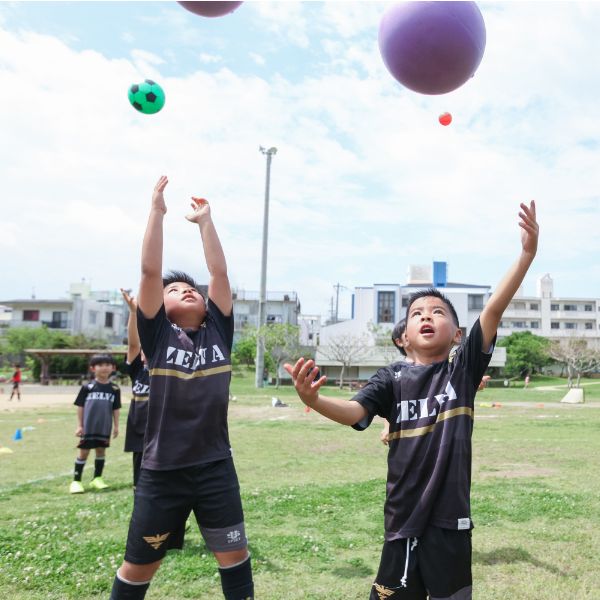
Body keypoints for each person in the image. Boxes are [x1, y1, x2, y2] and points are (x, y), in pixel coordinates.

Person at [285, 201, 539, 599]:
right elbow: (355, 413)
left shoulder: (462, 369)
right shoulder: (391, 377)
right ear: (404, 332)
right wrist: (313, 400)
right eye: (417, 312)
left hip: (450, 523)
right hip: (402, 520)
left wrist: (525, 255)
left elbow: (492, 310)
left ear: (457, 334)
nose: (426, 316)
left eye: (438, 312)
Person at [110, 176, 253, 600]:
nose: (186, 290)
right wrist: (157, 212)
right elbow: (150, 271)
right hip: (161, 472)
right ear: (159, 306)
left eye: (191, 288)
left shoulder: (219, 332)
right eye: (175, 290)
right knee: (139, 566)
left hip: (215, 468)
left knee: (235, 556)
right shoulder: (156, 336)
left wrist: (206, 221)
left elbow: (218, 272)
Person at [70, 354, 121, 494]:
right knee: (83, 452)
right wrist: (79, 425)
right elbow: (80, 407)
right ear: (93, 368)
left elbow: (116, 409)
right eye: (100, 365)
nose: (104, 368)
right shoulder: (87, 387)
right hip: (88, 426)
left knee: (101, 451)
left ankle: (97, 479)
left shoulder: (115, 389)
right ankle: (76, 481)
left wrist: (116, 426)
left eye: (108, 365)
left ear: (113, 368)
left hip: (104, 426)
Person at [120, 288, 150, 490]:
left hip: (165, 432)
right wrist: (133, 312)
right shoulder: (138, 370)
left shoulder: (169, 369)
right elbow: (133, 345)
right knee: (140, 485)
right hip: (140, 430)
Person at [380, 319, 413, 445]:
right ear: (399, 341)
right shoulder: (394, 374)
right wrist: (387, 426)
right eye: (409, 331)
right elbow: (390, 405)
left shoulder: (442, 367)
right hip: (405, 449)